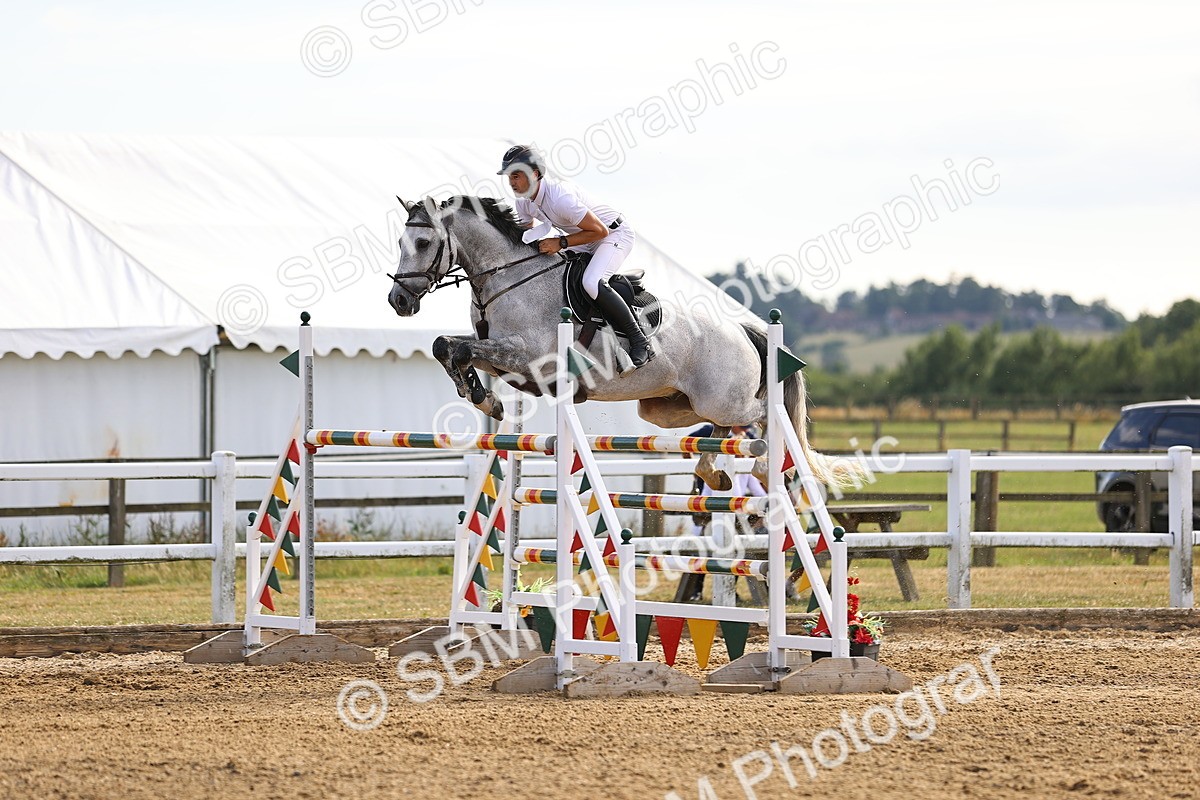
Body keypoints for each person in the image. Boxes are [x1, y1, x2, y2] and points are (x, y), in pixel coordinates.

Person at [496, 144, 653, 367]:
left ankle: (640, 341)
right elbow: (525, 237)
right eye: (509, 176)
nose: (512, 182)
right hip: (583, 237)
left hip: (613, 234)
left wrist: (559, 242)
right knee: (552, 267)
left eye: (517, 175)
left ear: (535, 173)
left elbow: (600, 231)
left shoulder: (560, 198)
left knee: (591, 282)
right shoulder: (523, 202)